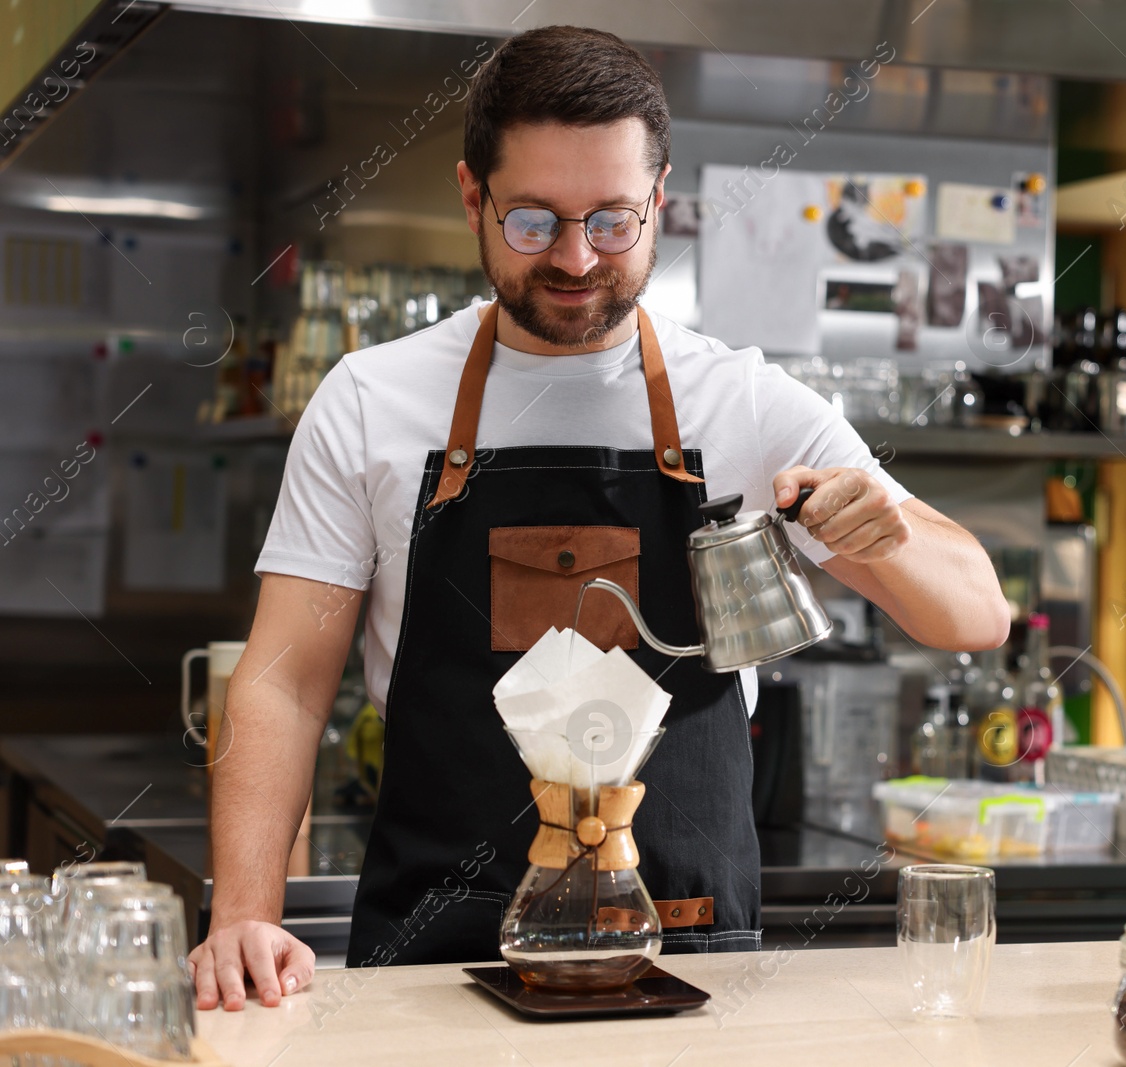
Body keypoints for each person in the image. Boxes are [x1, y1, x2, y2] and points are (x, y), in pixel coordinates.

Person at [187, 25, 1010, 1011]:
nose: (575, 258)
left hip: (689, 954)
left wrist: (883, 533)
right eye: (533, 221)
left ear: (658, 201)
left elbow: (975, 617)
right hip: (432, 962)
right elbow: (281, 688)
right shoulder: (371, 399)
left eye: (612, 221)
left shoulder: (745, 404)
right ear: (471, 197)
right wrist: (242, 913)